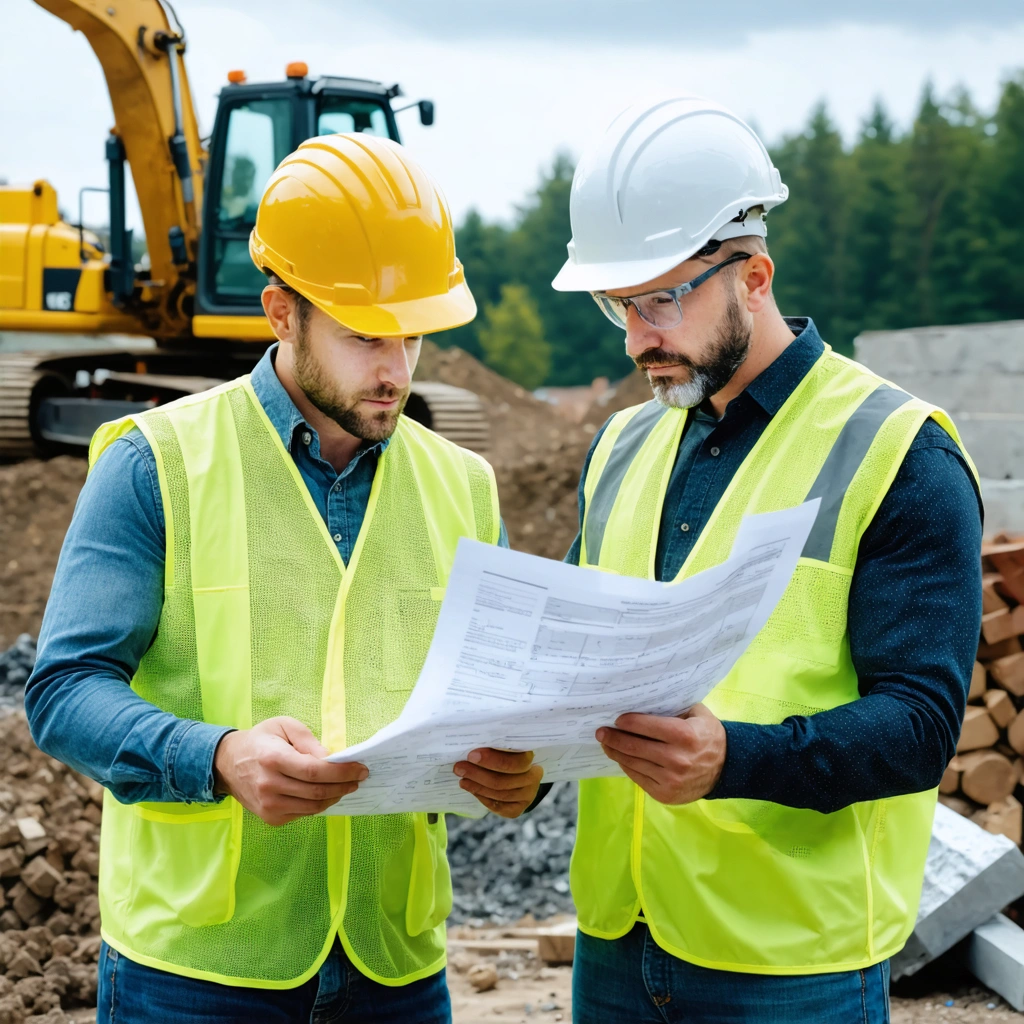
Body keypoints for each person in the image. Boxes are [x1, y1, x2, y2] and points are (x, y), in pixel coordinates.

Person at [26, 134, 544, 1024]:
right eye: (362, 336)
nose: (395, 369)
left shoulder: (463, 487)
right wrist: (219, 758)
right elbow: (64, 692)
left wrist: (521, 777)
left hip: (395, 968)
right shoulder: (158, 466)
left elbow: (499, 701)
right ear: (280, 311)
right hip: (195, 973)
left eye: (411, 336)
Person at [553, 96, 983, 1023]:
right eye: (618, 305)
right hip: (618, 947)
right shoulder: (622, 447)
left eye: (663, 298)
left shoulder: (898, 451)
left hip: (791, 970)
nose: (636, 339)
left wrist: (733, 760)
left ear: (754, 275)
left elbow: (919, 728)